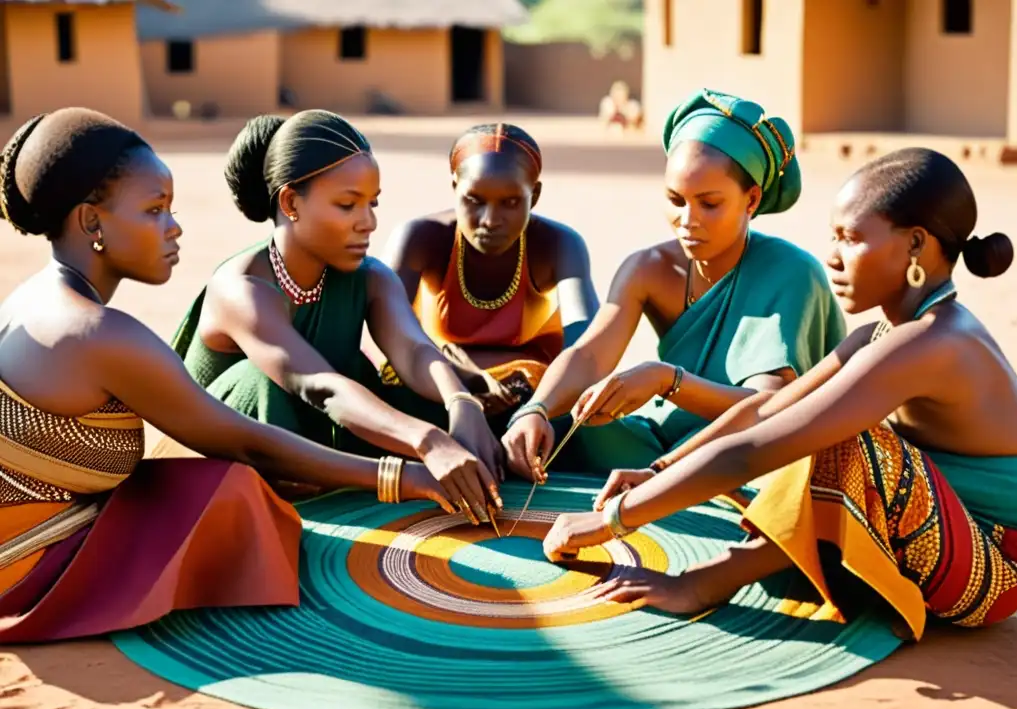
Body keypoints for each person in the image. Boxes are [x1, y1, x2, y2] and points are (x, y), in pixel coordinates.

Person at [0, 108, 493, 643]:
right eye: (154, 210)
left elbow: (413, 349)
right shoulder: (102, 332)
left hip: (62, 523)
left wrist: (460, 405)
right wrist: (405, 474)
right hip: (30, 563)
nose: (174, 226)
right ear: (92, 222)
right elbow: (249, 441)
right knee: (238, 496)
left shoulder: (41, 300)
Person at [546, 147, 1017, 642]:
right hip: (949, 534)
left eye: (851, 238)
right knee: (814, 428)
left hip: (998, 571)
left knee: (840, 442)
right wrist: (657, 472)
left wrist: (613, 520)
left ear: (915, 246)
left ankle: (705, 584)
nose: (832, 257)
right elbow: (767, 409)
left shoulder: (932, 342)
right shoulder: (880, 335)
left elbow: (760, 449)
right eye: (833, 236)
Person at [166, 110, 502, 522]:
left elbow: (414, 351)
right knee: (263, 382)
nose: (369, 222)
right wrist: (427, 441)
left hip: (327, 419)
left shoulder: (371, 278)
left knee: (424, 393)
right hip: (247, 448)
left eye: (372, 203)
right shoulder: (242, 288)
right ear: (291, 202)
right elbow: (319, 387)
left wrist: (460, 400)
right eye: (348, 205)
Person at [502, 89, 847, 480]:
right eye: (675, 199)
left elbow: (765, 408)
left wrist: (666, 380)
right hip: (660, 438)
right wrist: (538, 409)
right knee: (561, 424)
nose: (687, 219)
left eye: (709, 203)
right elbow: (589, 355)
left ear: (751, 199)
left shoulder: (792, 273)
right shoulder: (649, 268)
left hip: (746, 448)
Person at [377, 123, 599, 415]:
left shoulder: (558, 245)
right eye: (474, 200)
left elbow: (587, 340)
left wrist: (538, 409)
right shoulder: (420, 239)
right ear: (455, 188)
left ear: (536, 194)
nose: (490, 220)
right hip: (436, 379)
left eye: (510, 202)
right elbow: (387, 331)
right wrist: (468, 382)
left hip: (527, 392)